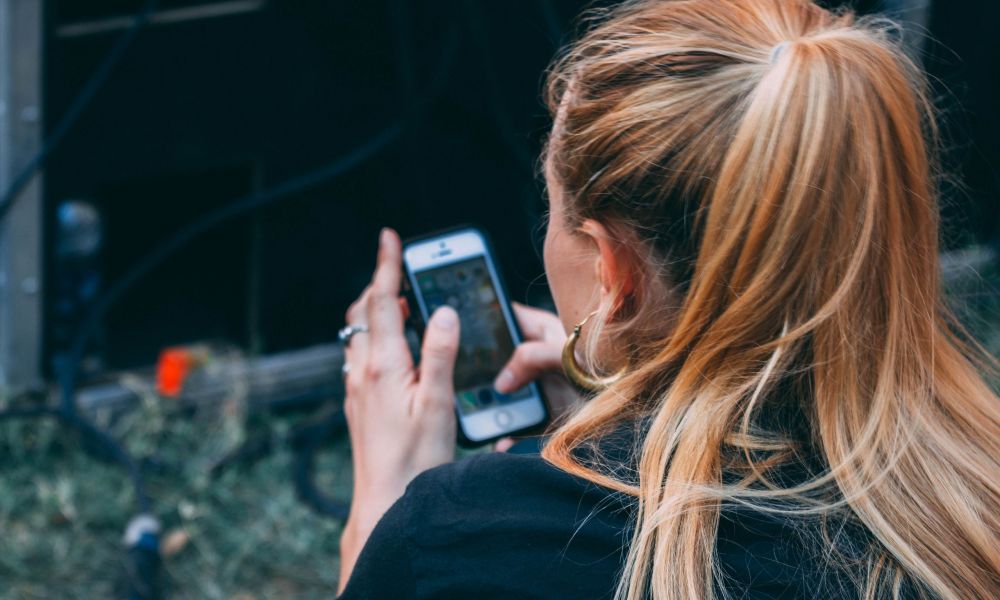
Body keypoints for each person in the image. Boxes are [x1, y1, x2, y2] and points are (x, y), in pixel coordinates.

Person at [335, 0, 1000, 598]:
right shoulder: (977, 497)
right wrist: (611, 423)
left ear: (614, 271)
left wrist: (383, 512)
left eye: (554, 209)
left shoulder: (463, 539)